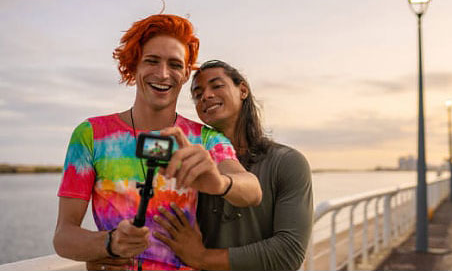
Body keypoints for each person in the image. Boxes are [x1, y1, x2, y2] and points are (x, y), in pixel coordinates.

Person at [53, 15, 262, 271]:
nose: (163, 74)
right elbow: (63, 236)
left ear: (186, 73)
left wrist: (219, 183)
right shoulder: (90, 135)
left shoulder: (206, 139)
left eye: (175, 64)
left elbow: (252, 190)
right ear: (134, 66)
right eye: (151, 61)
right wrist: (109, 242)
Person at [153, 60, 314, 270]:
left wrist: (202, 258)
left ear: (243, 90)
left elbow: (288, 253)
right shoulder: (191, 164)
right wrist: (112, 250)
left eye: (216, 85)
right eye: (197, 94)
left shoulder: (287, 162)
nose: (206, 96)